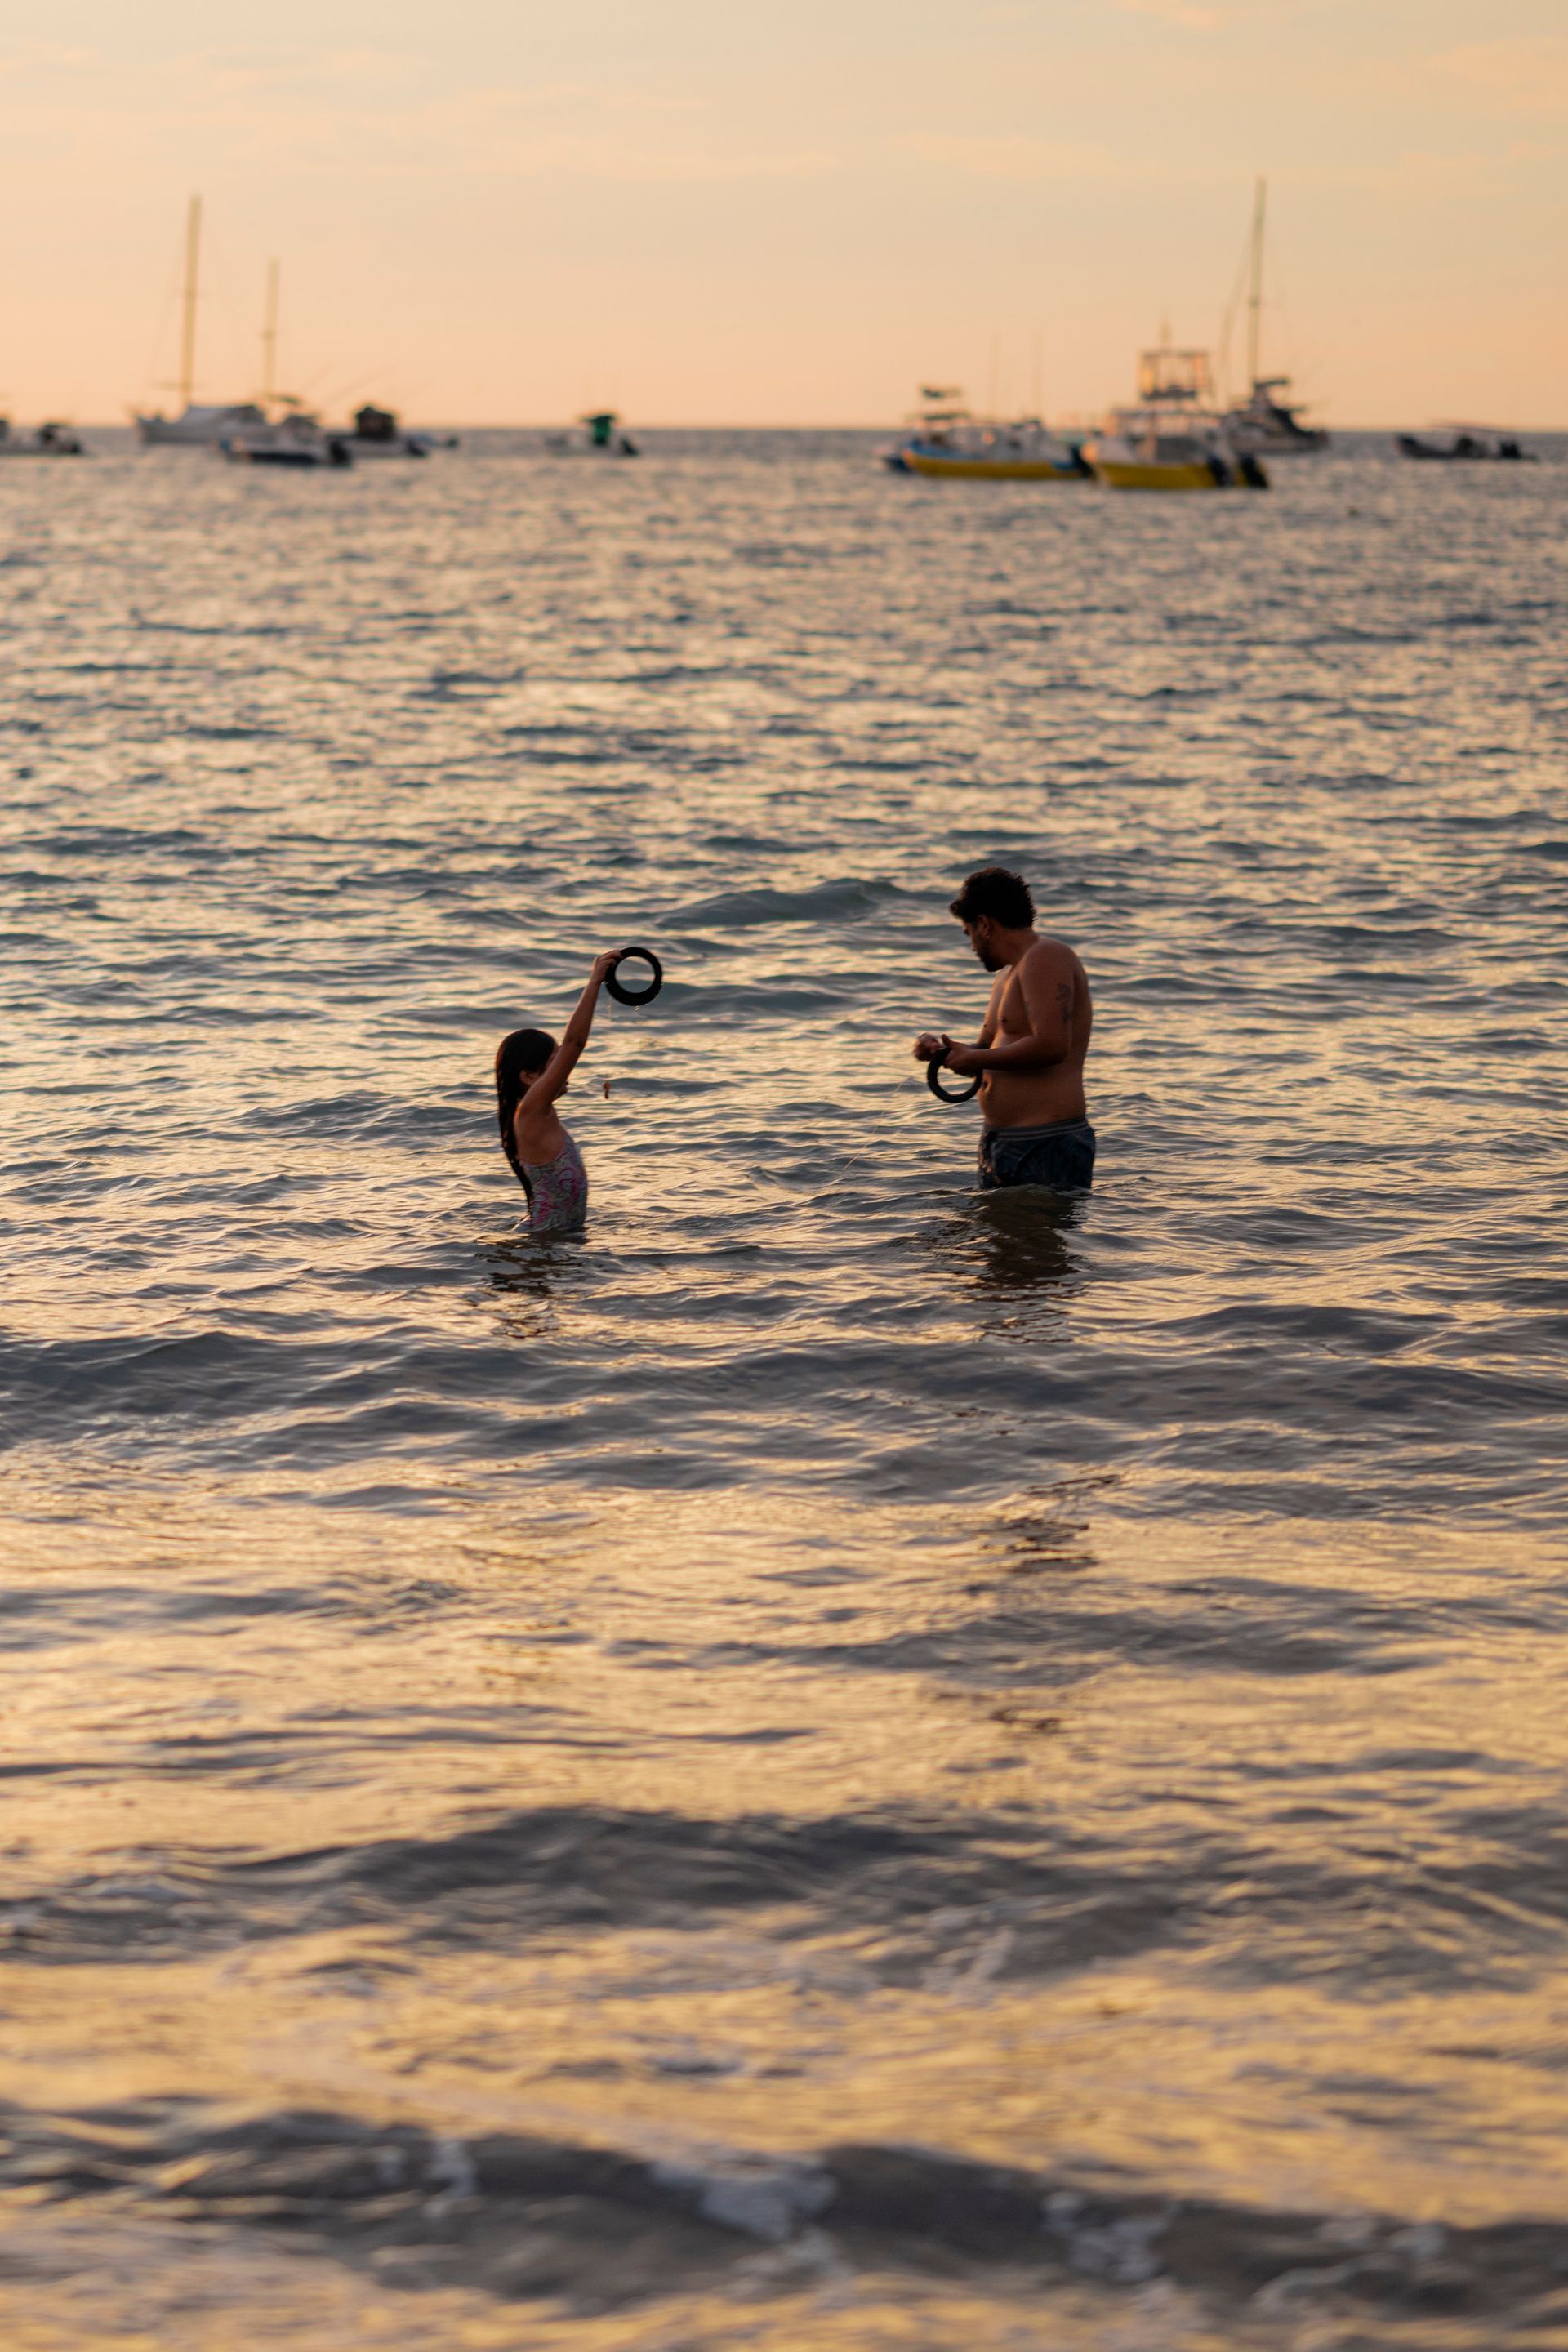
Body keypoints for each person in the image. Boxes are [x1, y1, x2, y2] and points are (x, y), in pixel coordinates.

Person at [913, 867, 1096, 1193]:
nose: (971, 946)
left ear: (984, 925)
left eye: (968, 933)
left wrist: (974, 1058)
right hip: (1002, 1141)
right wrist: (945, 1054)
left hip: (1045, 1141)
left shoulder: (1046, 956)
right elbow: (989, 1053)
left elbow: (1052, 1046)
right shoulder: (1008, 974)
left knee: (1030, 1229)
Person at [495, 951, 621, 1232]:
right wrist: (594, 982)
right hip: (542, 1240)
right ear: (528, 1076)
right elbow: (574, 1043)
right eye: (554, 1063)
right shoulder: (529, 1113)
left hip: (553, 1242)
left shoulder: (539, 1113)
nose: (563, 1071)